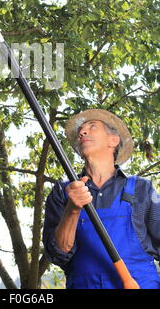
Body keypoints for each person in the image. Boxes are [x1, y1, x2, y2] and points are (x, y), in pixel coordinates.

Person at [43, 109, 160, 289]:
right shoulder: (63, 192)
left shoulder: (141, 188)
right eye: (81, 130)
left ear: (113, 140)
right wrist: (72, 210)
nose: (82, 132)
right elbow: (58, 254)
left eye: (92, 127)